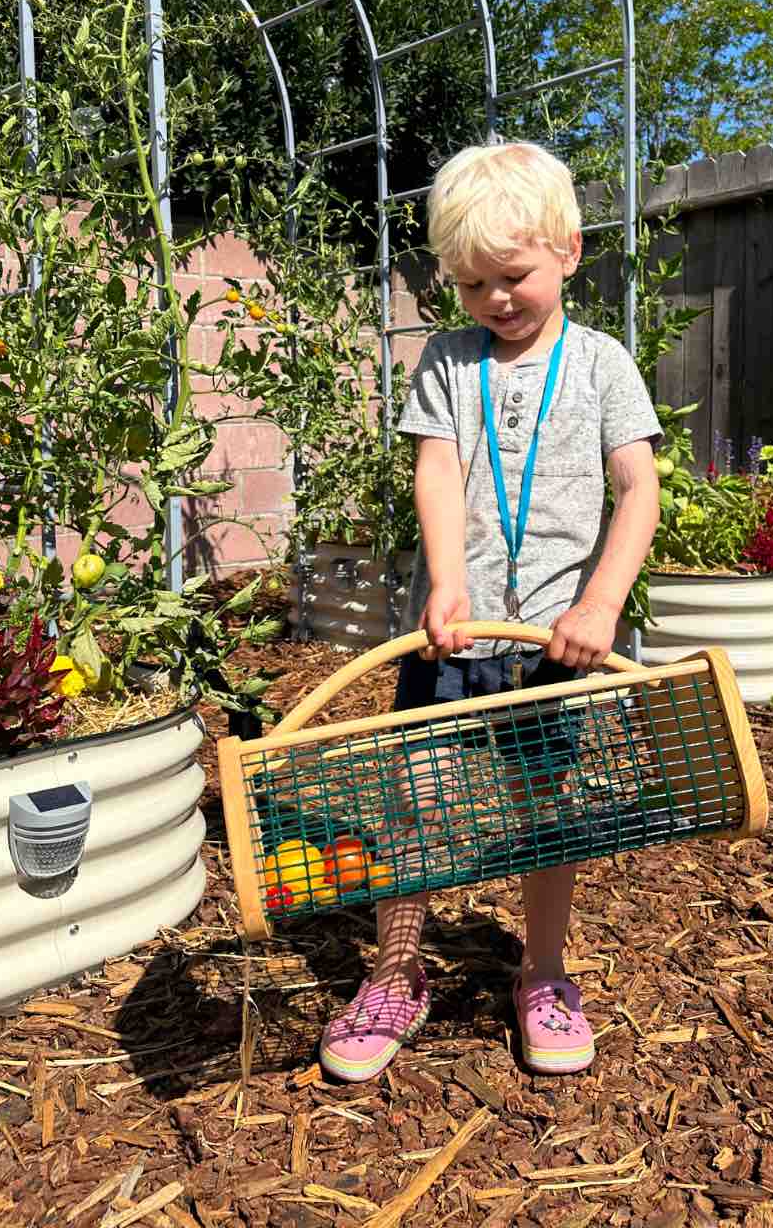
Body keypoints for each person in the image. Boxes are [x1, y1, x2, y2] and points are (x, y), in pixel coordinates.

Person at [319, 140, 662, 1083]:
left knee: (545, 815)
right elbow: (438, 467)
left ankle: (542, 973)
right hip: (457, 632)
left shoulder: (602, 364)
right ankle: (395, 974)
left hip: (559, 643)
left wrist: (600, 602)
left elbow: (638, 491)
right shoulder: (446, 360)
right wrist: (446, 582)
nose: (494, 300)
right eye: (470, 285)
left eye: (510, 276)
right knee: (415, 798)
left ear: (569, 251)